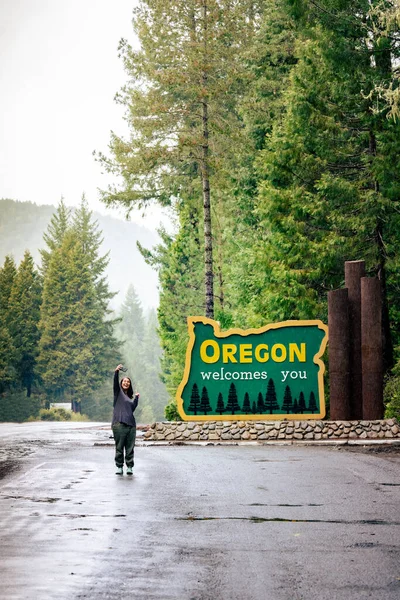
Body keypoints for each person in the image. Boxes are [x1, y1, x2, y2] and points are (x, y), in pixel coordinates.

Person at [112, 364, 139, 475]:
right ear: (121, 383)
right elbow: (115, 383)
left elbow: (132, 409)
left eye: (128, 382)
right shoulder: (118, 393)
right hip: (119, 424)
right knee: (119, 447)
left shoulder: (129, 398)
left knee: (130, 447)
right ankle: (119, 467)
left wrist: (136, 399)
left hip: (131, 425)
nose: (126, 383)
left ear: (130, 384)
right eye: (124, 381)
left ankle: (129, 467)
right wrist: (116, 372)